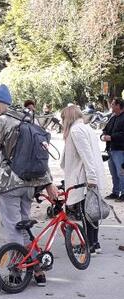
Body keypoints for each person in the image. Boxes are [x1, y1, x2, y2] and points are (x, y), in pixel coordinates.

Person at [0, 84, 58, 286]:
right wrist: (48, 183)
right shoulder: (29, 119)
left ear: (1, 103)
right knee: (24, 226)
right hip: (29, 184)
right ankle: (38, 270)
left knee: (12, 230)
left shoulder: (2, 121)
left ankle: (15, 272)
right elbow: (41, 156)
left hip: (8, 184)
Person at [60, 105, 106, 254]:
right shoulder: (85, 128)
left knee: (86, 213)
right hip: (87, 176)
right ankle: (94, 243)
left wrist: (91, 178)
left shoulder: (76, 130)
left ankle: (89, 245)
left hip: (83, 178)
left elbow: (86, 155)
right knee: (91, 212)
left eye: (63, 118)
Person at [101, 97, 124, 200]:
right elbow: (105, 130)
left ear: (118, 106)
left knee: (121, 173)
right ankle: (115, 192)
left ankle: (123, 193)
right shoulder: (113, 117)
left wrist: (112, 137)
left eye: (113, 104)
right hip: (111, 150)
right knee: (114, 173)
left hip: (120, 150)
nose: (111, 106)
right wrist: (103, 136)